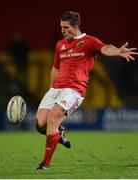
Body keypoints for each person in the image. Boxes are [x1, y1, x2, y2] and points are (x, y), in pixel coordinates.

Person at [35, 10, 138, 170]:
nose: (62, 30)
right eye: (61, 27)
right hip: (56, 89)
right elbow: (55, 69)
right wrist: (51, 90)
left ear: (75, 26)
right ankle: (59, 134)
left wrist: (118, 51)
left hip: (74, 90)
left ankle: (45, 163)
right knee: (40, 124)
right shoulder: (60, 44)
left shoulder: (89, 41)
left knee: (53, 119)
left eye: (65, 27)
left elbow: (106, 48)